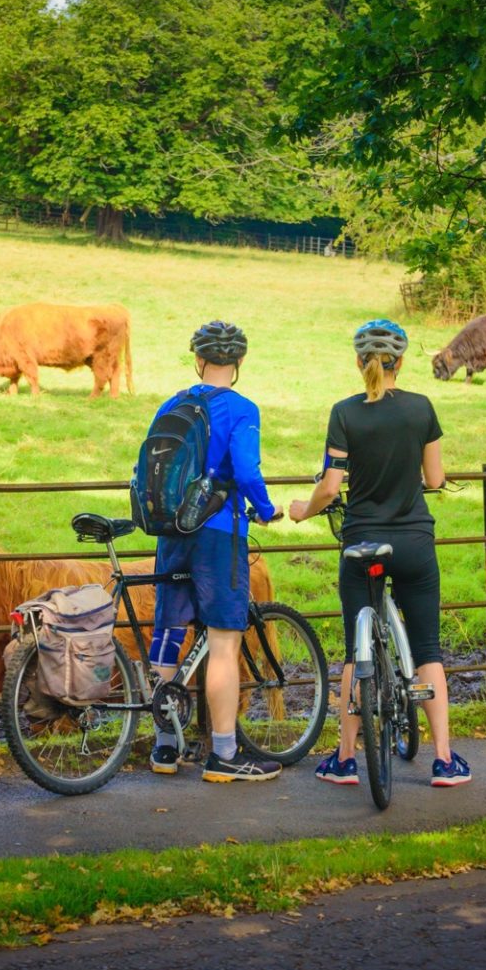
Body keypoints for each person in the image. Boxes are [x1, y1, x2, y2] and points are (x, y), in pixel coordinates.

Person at [289, 318, 471, 788]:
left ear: (358, 362)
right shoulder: (421, 408)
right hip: (412, 542)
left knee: (355, 650)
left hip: (361, 543)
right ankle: (445, 761)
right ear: (401, 361)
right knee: (428, 648)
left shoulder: (344, 413)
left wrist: (302, 511)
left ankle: (347, 759)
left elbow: (330, 487)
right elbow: (434, 480)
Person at [147, 320, 284, 783]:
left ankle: (165, 747)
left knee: (167, 632)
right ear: (239, 363)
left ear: (198, 359)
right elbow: (246, 469)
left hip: (171, 530)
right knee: (224, 643)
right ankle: (224, 755)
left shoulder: (172, 404)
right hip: (218, 534)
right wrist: (264, 509)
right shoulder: (242, 409)